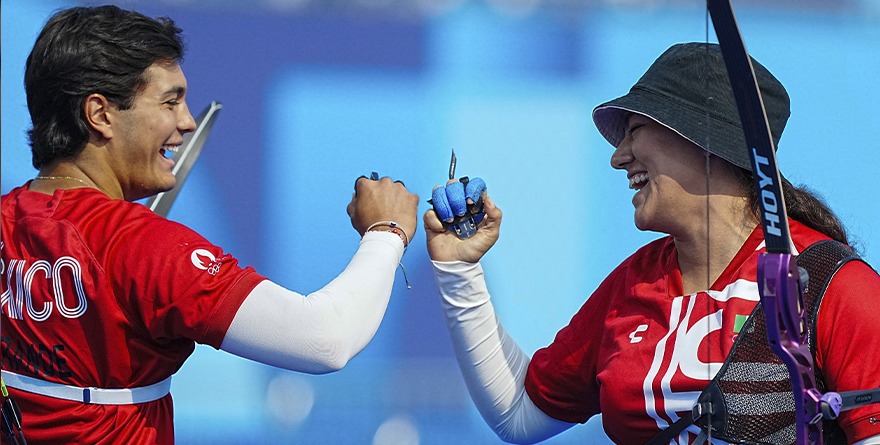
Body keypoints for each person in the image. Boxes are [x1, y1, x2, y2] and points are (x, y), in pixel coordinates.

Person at [0, 5, 418, 444]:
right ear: (100, 114)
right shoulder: (140, 246)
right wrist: (386, 232)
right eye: (169, 102)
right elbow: (325, 339)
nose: (187, 122)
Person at [424, 43, 880, 444]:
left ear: (704, 139)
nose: (618, 157)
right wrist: (459, 270)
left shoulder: (832, 284)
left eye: (636, 131)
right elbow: (519, 414)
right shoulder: (634, 284)